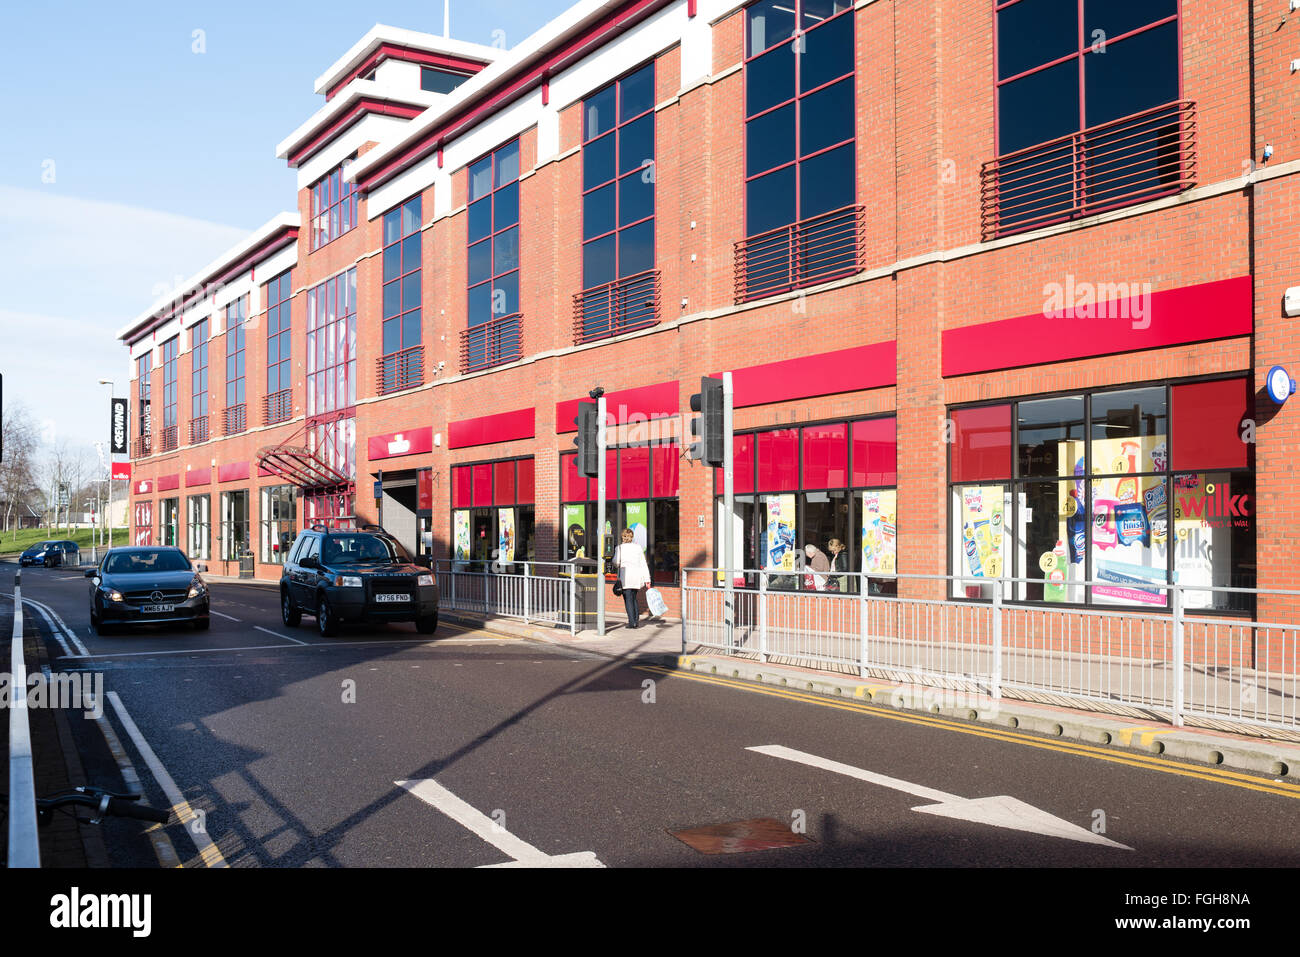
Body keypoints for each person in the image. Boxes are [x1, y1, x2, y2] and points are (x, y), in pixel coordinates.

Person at [613, 527, 652, 629]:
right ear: (631, 537)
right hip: (636, 577)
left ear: (623, 536)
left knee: (628, 599)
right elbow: (643, 564)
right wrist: (647, 579)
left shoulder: (619, 548)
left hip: (626, 577)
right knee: (634, 598)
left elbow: (616, 562)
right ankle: (636, 620)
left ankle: (632, 622)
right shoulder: (638, 548)